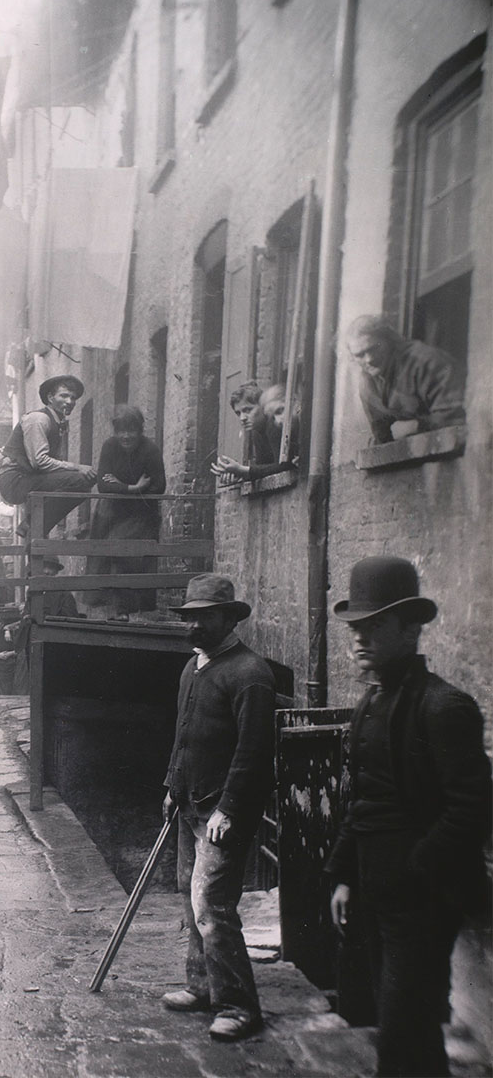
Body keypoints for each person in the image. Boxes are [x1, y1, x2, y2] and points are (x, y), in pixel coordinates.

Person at [326, 557, 491, 1078]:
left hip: (425, 898)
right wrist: (346, 875)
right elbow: (365, 800)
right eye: (357, 628)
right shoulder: (371, 704)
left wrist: (415, 868)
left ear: (411, 630)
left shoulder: (445, 708)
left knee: (403, 1028)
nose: (359, 640)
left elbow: (473, 808)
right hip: (379, 891)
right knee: (400, 1026)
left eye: (375, 627)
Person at [161, 573, 276, 1042]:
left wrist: (228, 808)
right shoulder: (194, 668)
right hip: (191, 802)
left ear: (229, 618)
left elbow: (253, 752)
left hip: (223, 813)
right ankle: (203, 986)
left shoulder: (250, 674)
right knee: (192, 896)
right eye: (189, 618)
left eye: (203, 618)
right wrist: (173, 785)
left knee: (212, 904)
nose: (193, 627)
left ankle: (238, 1006)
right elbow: (183, 735)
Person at [87, 405, 167, 620]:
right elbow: (103, 483)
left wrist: (120, 486)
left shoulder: (150, 450)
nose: (126, 436)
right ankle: (108, 611)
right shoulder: (109, 447)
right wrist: (134, 488)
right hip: (110, 512)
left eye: (131, 430)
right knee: (103, 557)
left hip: (141, 513)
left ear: (140, 431)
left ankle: (136, 612)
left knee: (131, 556)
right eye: (121, 430)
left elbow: (159, 485)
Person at [0, 375, 96, 537]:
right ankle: (32, 525)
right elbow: (40, 462)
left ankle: (32, 528)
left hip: (29, 477)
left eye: (73, 398)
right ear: (50, 397)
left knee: (85, 479)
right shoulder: (39, 419)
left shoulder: (58, 423)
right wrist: (77, 467)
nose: (70, 401)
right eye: (64, 396)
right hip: (15, 480)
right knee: (81, 480)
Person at [346, 315, 465, 444]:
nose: (369, 359)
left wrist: (416, 426)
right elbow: (382, 436)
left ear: (389, 340)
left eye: (374, 348)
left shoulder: (426, 363)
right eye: (359, 355)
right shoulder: (367, 381)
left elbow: (457, 418)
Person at [212, 383, 296, 483]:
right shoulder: (256, 431)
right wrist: (240, 475)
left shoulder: (275, 425)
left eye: (248, 410)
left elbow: (285, 465)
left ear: (263, 407)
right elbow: (264, 466)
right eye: (238, 413)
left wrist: (245, 471)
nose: (242, 418)